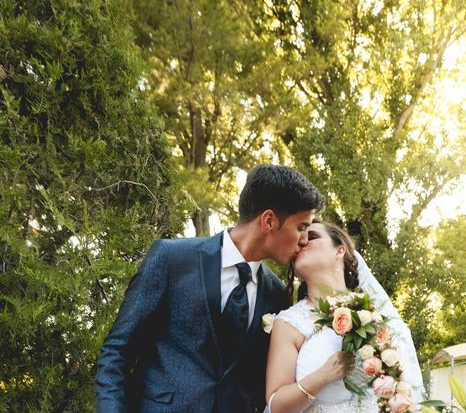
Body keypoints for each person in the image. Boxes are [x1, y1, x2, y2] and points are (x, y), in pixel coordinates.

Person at [95, 164, 325, 413]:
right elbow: (116, 354)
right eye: (301, 227)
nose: (304, 240)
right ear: (269, 220)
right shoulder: (172, 259)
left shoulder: (277, 295)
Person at [264, 220, 424, 413]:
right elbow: (276, 406)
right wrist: (323, 376)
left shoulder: (374, 312)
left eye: (312, 237)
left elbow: (403, 382)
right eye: (299, 239)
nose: (302, 242)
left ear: (339, 251)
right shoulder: (289, 323)